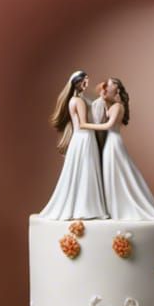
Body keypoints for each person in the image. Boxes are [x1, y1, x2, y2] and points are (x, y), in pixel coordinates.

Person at [80, 78, 154, 220]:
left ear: (116, 89)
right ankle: (112, 207)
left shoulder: (117, 107)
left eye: (107, 86)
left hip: (113, 142)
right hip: (112, 141)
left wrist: (85, 126)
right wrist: (101, 99)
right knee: (113, 173)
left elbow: (107, 125)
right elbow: (99, 113)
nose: (104, 88)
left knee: (116, 173)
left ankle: (118, 208)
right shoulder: (114, 105)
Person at [39, 70, 108, 219]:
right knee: (86, 171)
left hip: (79, 139)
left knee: (81, 171)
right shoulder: (79, 101)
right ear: (78, 83)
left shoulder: (74, 100)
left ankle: (82, 207)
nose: (87, 84)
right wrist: (104, 126)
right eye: (85, 81)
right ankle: (87, 209)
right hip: (85, 138)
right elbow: (83, 124)